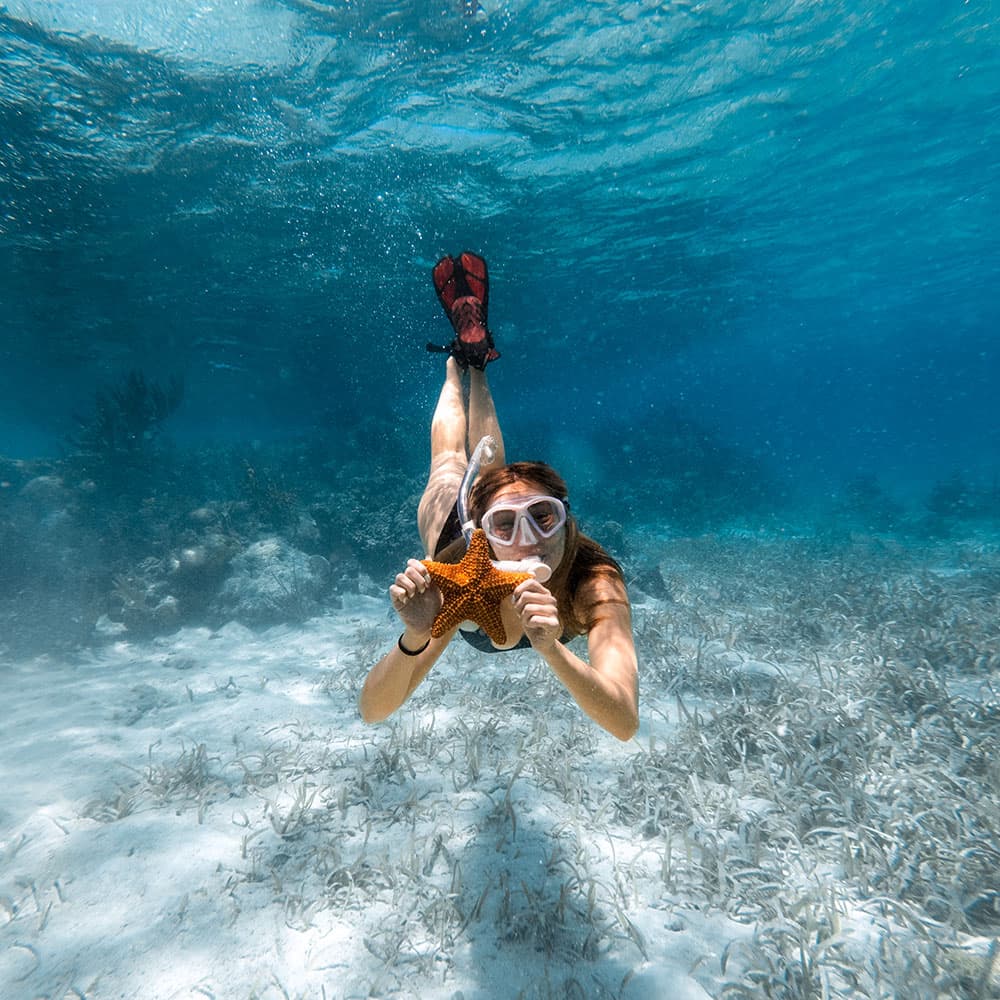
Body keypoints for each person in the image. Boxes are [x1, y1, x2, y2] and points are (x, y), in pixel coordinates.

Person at [359, 252, 639, 741]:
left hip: (488, 553)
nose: (527, 540)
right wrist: (415, 636)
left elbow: (624, 723)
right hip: (454, 533)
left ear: (569, 522)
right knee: (449, 462)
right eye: (505, 524)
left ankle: (477, 364)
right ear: (481, 530)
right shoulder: (457, 576)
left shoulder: (593, 578)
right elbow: (372, 711)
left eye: (543, 517)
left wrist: (553, 648)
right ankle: (458, 365)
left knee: (488, 469)